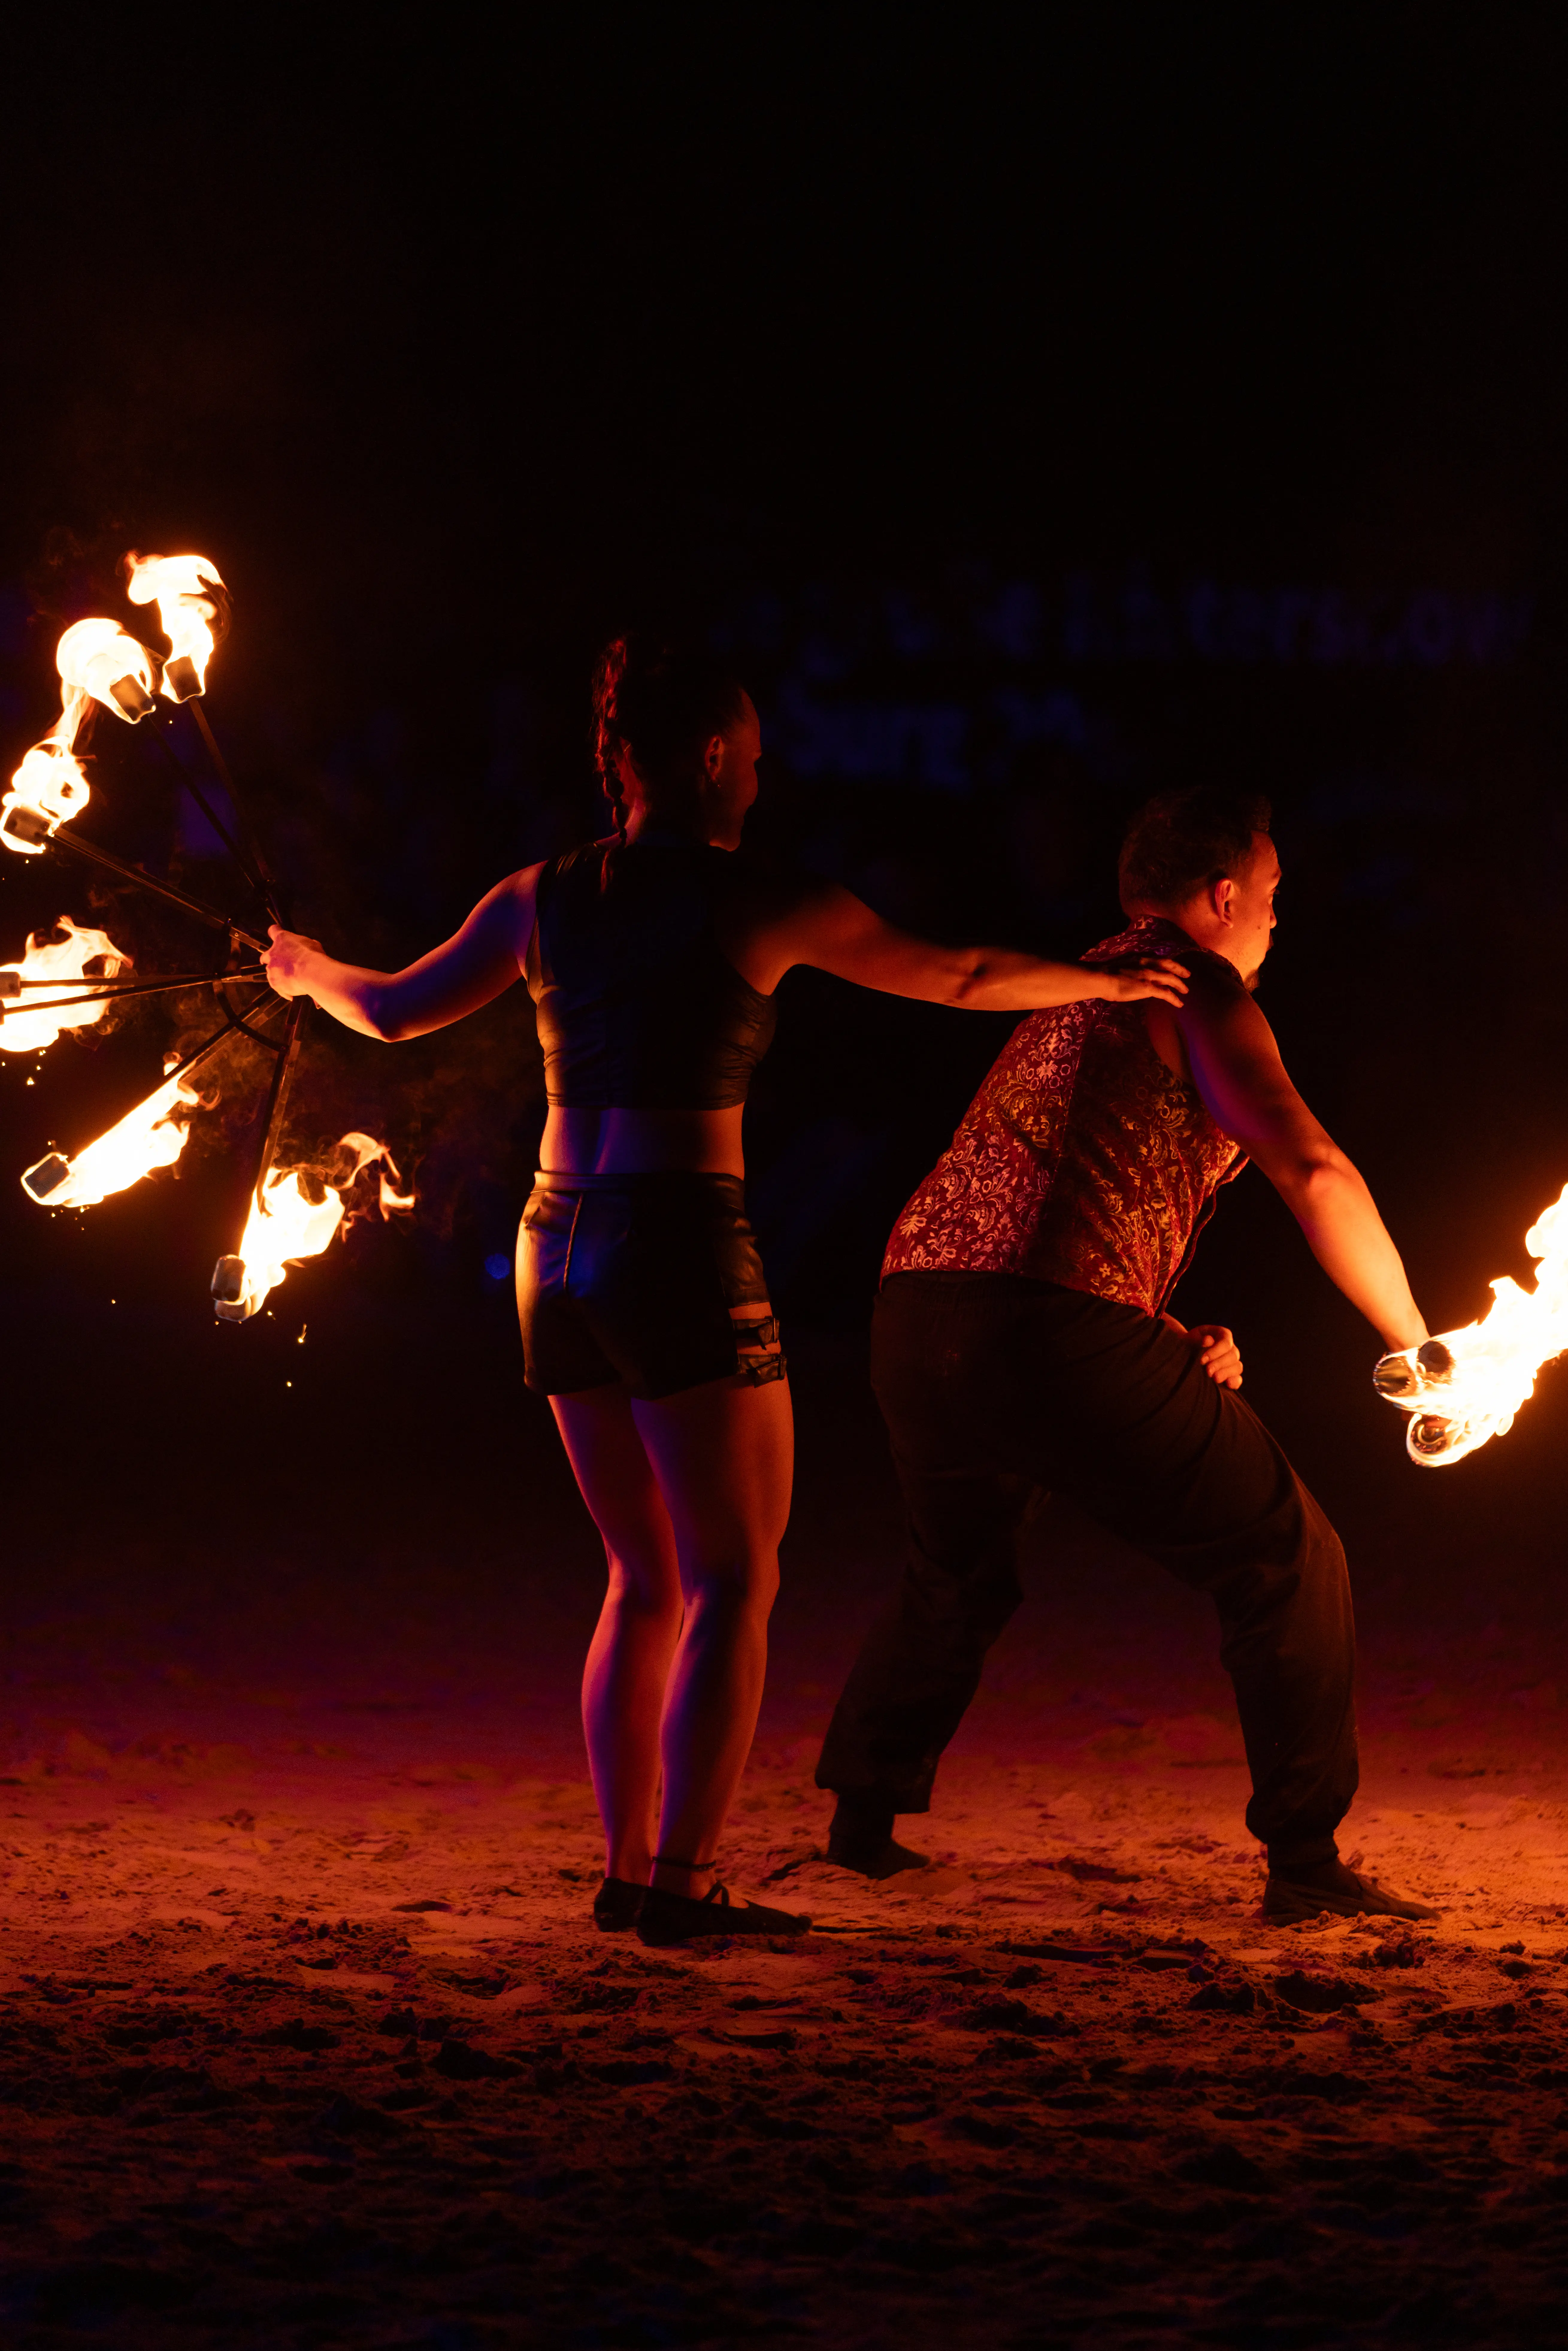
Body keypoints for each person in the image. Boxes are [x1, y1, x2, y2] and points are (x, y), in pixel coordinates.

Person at [261, 639, 1189, 1944]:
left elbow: (400, 1011)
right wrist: (1104, 978)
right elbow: (963, 976)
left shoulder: (537, 895)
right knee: (733, 1580)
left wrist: (305, 971)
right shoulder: (757, 900)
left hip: (551, 1246)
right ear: (706, 759)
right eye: (751, 754)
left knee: (637, 1575)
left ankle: (628, 1867)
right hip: (674, 1242)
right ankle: (685, 1890)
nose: (764, 774)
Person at [816, 785, 1437, 1924]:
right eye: (1271, 896)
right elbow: (1311, 1169)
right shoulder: (1194, 983)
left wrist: (1147, 1320)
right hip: (1045, 1328)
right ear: (1220, 897)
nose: (1276, 923)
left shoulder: (1074, 991)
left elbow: (1038, 1202)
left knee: (956, 1569)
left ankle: (861, 1819)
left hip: (915, 1315)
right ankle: (1304, 1860)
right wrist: (1419, 1350)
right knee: (1287, 1553)